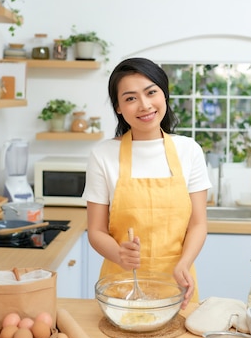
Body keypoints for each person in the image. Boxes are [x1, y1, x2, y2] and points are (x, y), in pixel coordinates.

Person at [83, 57, 212, 309]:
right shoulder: (103, 155)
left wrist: (184, 263)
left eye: (151, 92)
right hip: (120, 286)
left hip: (177, 283)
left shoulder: (189, 151)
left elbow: (198, 224)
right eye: (130, 98)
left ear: (163, 95)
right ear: (118, 107)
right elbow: (96, 231)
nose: (144, 105)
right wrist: (119, 253)